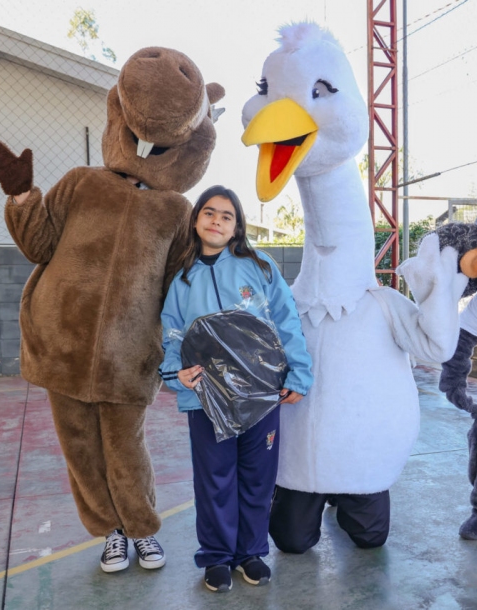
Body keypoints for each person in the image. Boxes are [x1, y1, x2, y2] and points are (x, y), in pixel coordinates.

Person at [159, 185, 313, 593]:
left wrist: (298, 374)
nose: (217, 221)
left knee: (258, 477)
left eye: (226, 216)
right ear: (196, 220)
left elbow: (287, 320)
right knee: (214, 479)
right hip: (206, 397)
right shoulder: (182, 277)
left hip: (261, 394)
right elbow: (171, 335)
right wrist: (175, 373)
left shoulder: (259, 266)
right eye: (209, 212)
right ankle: (216, 557)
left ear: (237, 226)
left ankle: (251, 554)